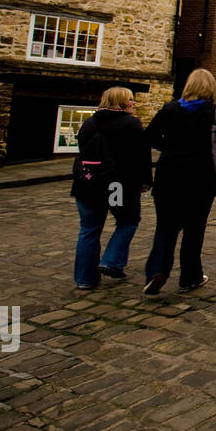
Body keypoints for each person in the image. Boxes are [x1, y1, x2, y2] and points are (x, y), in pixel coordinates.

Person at [142, 68, 216, 296]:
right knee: (194, 230)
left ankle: (157, 271)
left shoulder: (170, 109)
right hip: (200, 179)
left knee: (166, 227)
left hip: (168, 177)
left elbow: (148, 136)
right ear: (210, 87)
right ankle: (190, 277)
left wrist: (170, 148)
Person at [70, 87, 152, 290]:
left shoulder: (90, 122)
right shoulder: (130, 123)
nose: (133, 103)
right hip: (116, 187)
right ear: (121, 101)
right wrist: (145, 181)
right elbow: (142, 155)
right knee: (128, 221)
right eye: (130, 99)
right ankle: (111, 261)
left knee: (89, 230)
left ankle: (84, 279)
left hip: (87, 184)